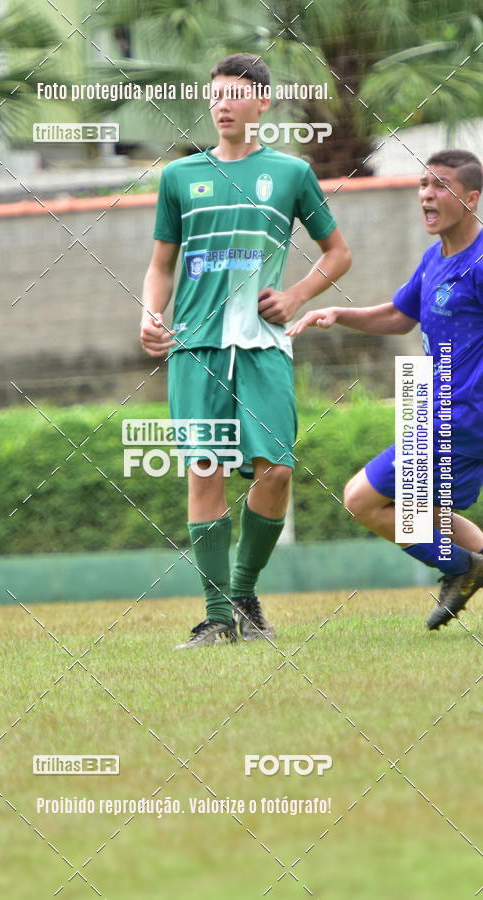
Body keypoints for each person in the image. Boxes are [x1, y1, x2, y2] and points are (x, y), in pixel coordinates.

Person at [140, 53, 352, 649]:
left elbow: (338, 253)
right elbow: (161, 266)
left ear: (262, 103)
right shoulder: (180, 178)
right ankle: (215, 619)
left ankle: (241, 589)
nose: (222, 105)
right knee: (204, 470)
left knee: (278, 469)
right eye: (215, 96)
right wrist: (150, 316)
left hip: (262, 346)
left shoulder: (290, 173)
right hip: (196, 347)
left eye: (236, 95)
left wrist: (296, 295)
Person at [288, 149, 483, 630]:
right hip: (441, 411)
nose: (427, 195)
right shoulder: (435, 258)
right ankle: (470, 563)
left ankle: (461, 568)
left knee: (361, 498)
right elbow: (400, 315)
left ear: (472, 198)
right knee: (428, 513)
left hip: (462, 415)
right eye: (423, 185)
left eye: (440, 185)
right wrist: (339, 314)